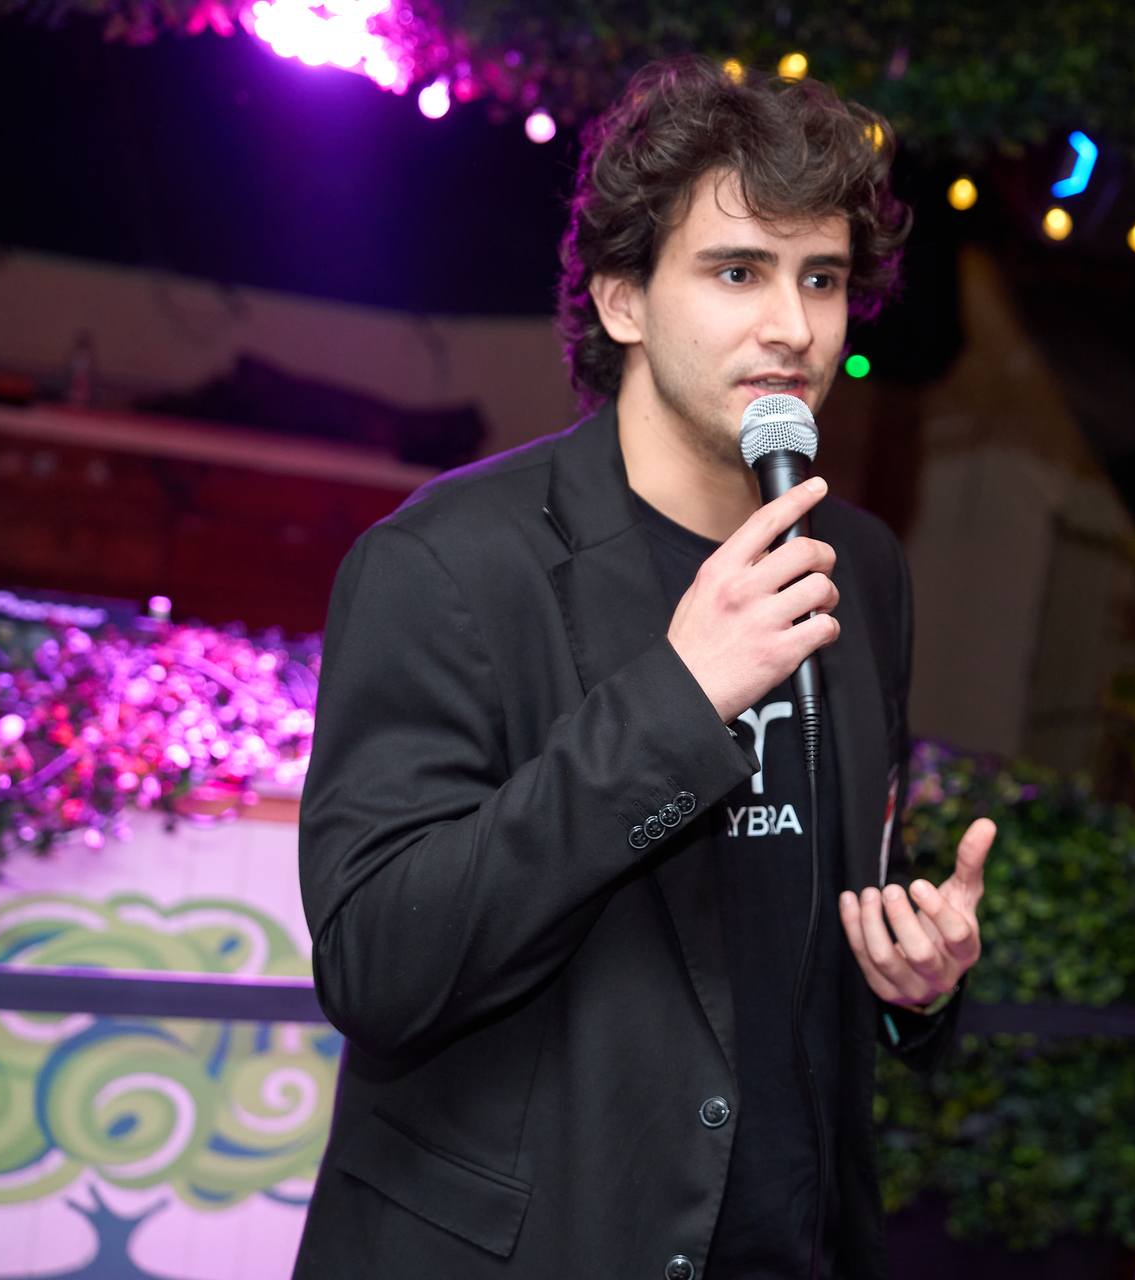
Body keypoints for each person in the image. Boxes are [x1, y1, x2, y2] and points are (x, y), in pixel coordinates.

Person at [294, 55, 993, 1280]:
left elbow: (789, 933)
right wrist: (677, 699)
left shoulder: (862, 566)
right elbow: (379, 965)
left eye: (821, 278)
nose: (793, 326)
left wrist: (908, 985)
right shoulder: (447, 564)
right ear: (622, 298)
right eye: (737, 271)